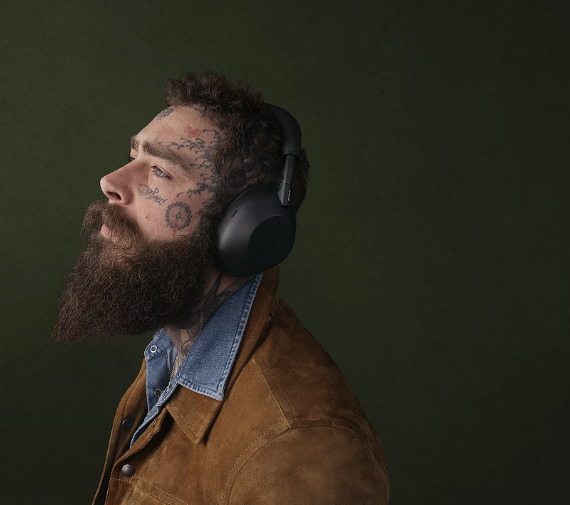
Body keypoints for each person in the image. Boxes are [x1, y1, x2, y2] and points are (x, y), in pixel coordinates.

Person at [51, 72, 390, 504]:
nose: (110, 182)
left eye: (160, 171)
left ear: (244, 229)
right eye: (133, 155)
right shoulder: (171, 354)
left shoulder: (299, 448)